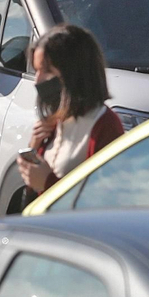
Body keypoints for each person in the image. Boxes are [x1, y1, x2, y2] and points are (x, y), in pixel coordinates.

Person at [16, 24, 124, 195]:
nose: (38, 81)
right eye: (37, 71)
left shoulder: (105, 126)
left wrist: (47, 182)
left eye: (48, 71)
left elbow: (105, 199)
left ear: (74, 73)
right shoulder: (55, 122)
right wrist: (34, 149)